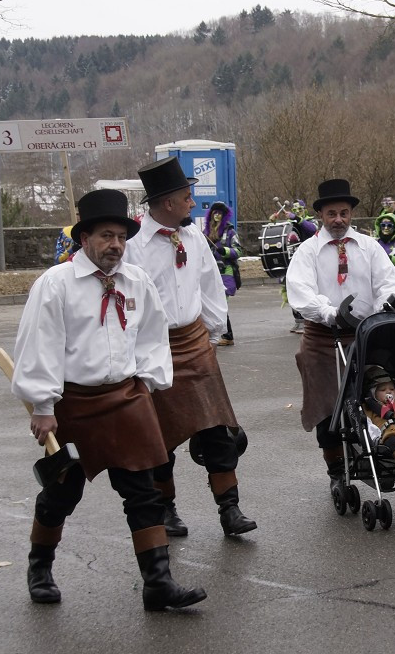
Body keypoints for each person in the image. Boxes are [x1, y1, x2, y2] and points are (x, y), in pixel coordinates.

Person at [12, 188, 206, 610]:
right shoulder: (55, 284)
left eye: (120, 236)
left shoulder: (136, 281)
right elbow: (38, 345)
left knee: (143, 492)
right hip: (73, 404)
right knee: (63, 492)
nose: (115, 244)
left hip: (126, 397)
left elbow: (154, 338)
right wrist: (43, 406)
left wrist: (149, 385)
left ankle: (158, 584)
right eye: (105, 236)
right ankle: (39, 567)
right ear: (85, 239)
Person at [126, 157, 256, 538]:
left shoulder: (195, 237)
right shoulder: (134, 247)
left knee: (216, 427)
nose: (192, 203)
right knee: (160, 438)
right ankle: (166, 510)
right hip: (155, 349)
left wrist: (214, 333)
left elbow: (210, 285)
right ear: (166, 202)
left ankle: (229, 510)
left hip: (196, 343)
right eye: (186, 196)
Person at [286, 178, 395, 490]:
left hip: (366, 337)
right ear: (321, 216)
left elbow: (389, 283)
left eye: (344, 213)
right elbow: (300, 292)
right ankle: (336, 472)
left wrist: (388, 306)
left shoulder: (369, 247)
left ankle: (386, 456)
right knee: (328, 410)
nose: (338, 219)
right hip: (322, 339)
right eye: (332, 214)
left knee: (376, 398)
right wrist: (330, 312)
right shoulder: (308, 252)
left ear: (352, 213)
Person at [270, 199, 319, 333]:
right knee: (290, 288)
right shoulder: (291, 223)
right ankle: (298, 321)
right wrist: (273, 221)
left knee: (305, 288)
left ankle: (307, 321)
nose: (298, 212)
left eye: (300, 210)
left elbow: (313, 230)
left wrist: (297, 218)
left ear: (305, 209)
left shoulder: (311, 221)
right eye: (295, 210)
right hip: (292, 259)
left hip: (308, 260)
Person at [204, 200, 241, 346]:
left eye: (220, 213)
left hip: (226, 271)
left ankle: (228, 335)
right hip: (211, 272)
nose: (217, 216)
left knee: (221, 302)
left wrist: (225, 251)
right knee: (211, 303)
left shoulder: (230, 232)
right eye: (215, 213)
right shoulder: (206, 232)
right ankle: (216, 333)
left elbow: (239, 251)